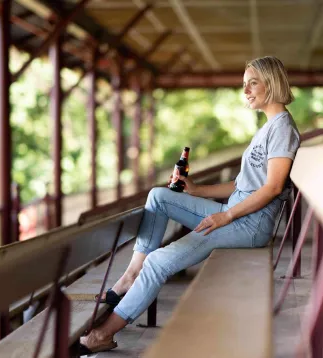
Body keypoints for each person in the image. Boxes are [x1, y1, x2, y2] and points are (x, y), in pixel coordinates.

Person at [79, 56, 301, 354]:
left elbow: (273, 187)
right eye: (244, 84)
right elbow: (241, 184)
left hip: (250, 224)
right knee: (158, 197)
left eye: (253, 83)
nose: (246, 91)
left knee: (158, 262)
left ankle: (102, 335)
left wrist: (227, 216)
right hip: (235, 212)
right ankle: (131, 275)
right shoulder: (267, 127)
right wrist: (195, 189)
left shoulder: (282, 129)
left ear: (271, 84)